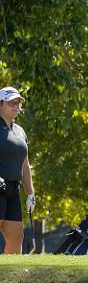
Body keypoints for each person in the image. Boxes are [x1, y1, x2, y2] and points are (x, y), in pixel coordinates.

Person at [0, 87, 36, 254]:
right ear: (1, 104)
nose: (16, 106)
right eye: (11, 103)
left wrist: (30, 193)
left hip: (13, 189)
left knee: (16, 239)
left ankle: (8, 276)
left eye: (18, 103)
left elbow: (25, 164)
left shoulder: (20, 131)